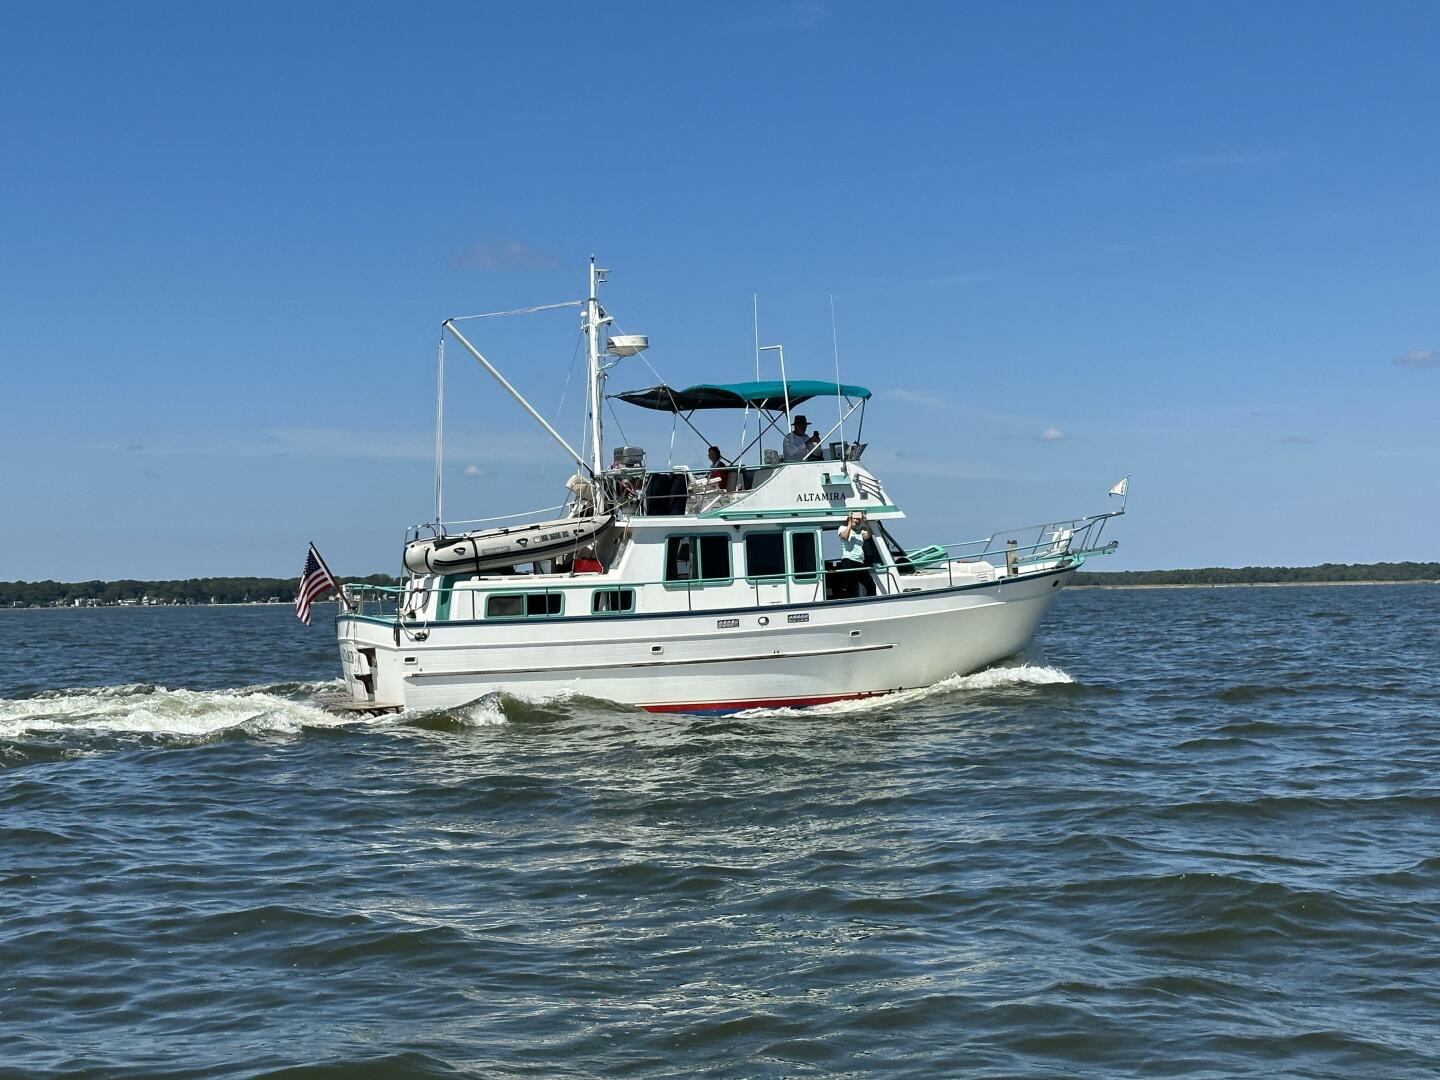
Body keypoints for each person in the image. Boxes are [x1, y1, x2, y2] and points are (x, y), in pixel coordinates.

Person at [837, 511, 876, 597]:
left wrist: (866, 524)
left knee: (871, 586)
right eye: (854, 518)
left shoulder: (860, 532)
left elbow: (868, 535)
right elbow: (844, 537)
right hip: (849, 562)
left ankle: (870, 604)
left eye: (858, 519)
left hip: (859, 563)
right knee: (851, 587)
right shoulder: (842, 528)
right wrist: (850, 525)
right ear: (849, 519)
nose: (856, 521)